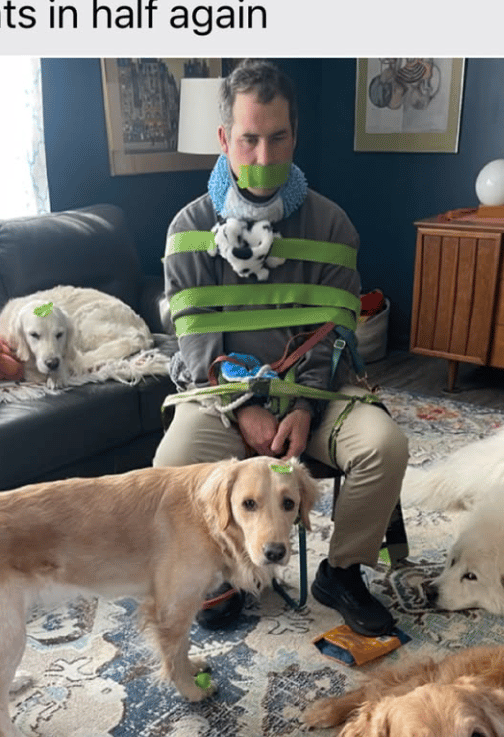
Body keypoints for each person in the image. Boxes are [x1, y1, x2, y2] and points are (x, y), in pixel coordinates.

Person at [154, 60, 408, 636]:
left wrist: (304, 407)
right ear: (225, 139)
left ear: (295, 136)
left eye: (278, 138)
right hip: (220, 392)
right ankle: (219, 572)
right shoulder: (187, 228)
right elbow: (194, 337)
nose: (264, 157)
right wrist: (243, 408)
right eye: (249, 140)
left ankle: (342, 572)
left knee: (385, 445)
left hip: (315, 390)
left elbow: (334, 332)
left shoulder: (332, 225)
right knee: (171, 467)